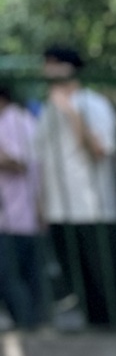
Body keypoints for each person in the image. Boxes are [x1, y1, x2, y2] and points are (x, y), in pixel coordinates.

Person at [35, 46, 116, 327]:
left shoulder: (94, 103)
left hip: (94, 209)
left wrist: (71, 112)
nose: (47, 71)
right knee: (76, 277)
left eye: (53, 65)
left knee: (103, 277)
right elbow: (41, 159)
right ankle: (94, 327)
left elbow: (100, 149)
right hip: (59, 209)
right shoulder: (47, 110)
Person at [0, 84, 44, 331]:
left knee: (10, 275)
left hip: (17, 215)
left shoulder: (15, 121)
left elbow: (20, 162)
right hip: (14, 215)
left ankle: (27, 324)